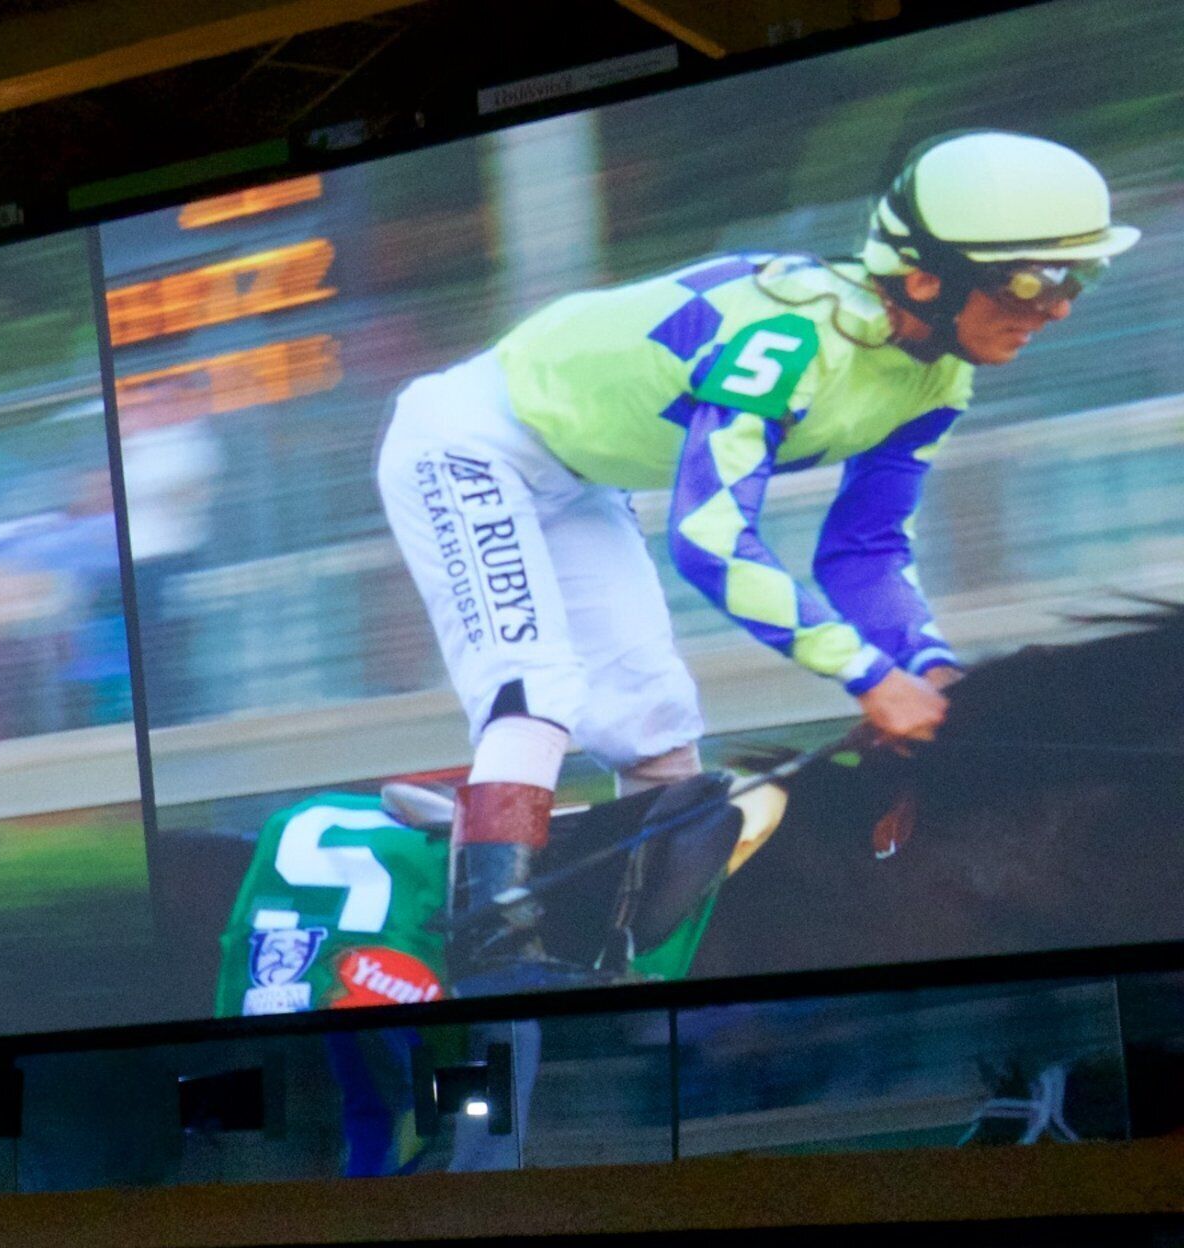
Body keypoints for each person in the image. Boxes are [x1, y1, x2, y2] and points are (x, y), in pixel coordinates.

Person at [376, 132, 1138, 981]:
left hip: (577, 477)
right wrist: (869, 677)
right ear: (926, 278)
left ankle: (639, 948)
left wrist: (927, 666)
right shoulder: (788, 342)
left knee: (657, 718)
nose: (1060, 306)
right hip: (466, 444)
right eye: (1035, 280)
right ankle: (491, 943)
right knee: (536, 687)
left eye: (1080, 278)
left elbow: (866, 550)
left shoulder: (939, 376)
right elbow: (708, 540)